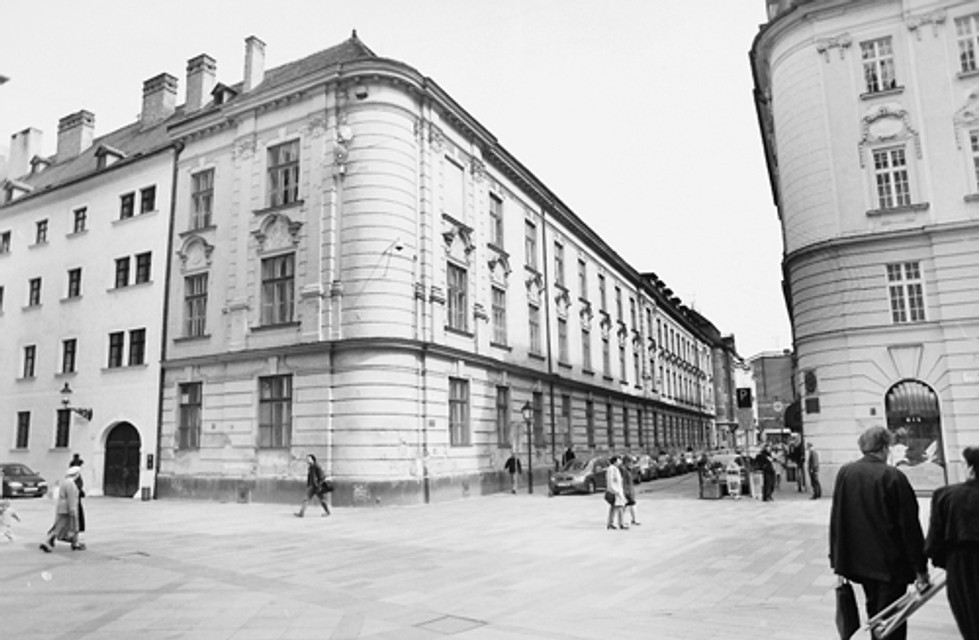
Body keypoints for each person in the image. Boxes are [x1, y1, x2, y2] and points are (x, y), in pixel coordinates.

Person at [829, 426, 929, 640]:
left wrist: (836, 556)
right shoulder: (892, 476)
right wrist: (920, 568)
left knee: (874, 610)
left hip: (860, 561)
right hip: (890, 563)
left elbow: (837, 516)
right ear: (884, 448)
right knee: (892, 620)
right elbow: (909, 525)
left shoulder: (846, 473)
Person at [924, 446, 979, 640]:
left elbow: (934, 543)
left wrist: (943, 562)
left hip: (962, 566)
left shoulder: (946, 496)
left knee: (971, 620)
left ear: (970, 468)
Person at [40, 466, 84, 552]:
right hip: (66, 509)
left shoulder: (65, 482)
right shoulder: (71, 484)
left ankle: (48, 542)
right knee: (60, 527)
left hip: (62, 508)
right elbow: (71, 498)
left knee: (59, 526)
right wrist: (72, 510)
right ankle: (47, 542)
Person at [605, 455, 627, 530]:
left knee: (614, 507)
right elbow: (610, 481)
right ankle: (621, 523)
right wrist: (615, 491)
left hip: (618, 490)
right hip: (615, 491)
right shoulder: (611, 469)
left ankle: (611, 523)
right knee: (619, 507)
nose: (620, 461)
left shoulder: (615, 469)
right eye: (619, 460)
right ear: (615, 461)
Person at [69, 455, 86, 542]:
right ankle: (49, 539)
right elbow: (75, 488)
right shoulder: (73, 478)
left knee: (76, 522)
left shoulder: (76, 477)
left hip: (76, 500)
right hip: (73, 501)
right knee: (70, 521)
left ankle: (75, 541)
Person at [622, 456, 640, 525]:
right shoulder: (624, 470)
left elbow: (633, 479)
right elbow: (623, 482)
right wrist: (625, 491)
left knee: (629, 505)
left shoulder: (628, 470)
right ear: (626, 462)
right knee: (626, 505)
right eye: (630, 462)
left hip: (630, 490)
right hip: (627, 491)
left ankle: (633, 519)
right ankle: (622, 520)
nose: (631, 463)